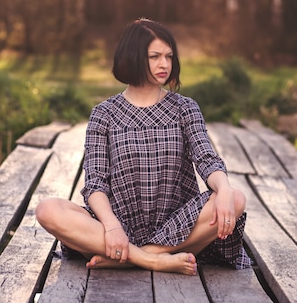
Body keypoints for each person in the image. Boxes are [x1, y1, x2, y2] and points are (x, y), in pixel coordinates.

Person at [35, 18, 251, 275]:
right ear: (134, 57)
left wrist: (224, 189)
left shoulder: (185, 108)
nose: (165, 64)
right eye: (155, 56)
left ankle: (136, 257)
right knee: (47, 209)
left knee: (236, 198)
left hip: (179, 226)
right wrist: (112, 226)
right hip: (114, 229)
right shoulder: (104, 114)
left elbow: (206, 160)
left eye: (169, 57)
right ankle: (153, 260)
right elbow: (95, 183)